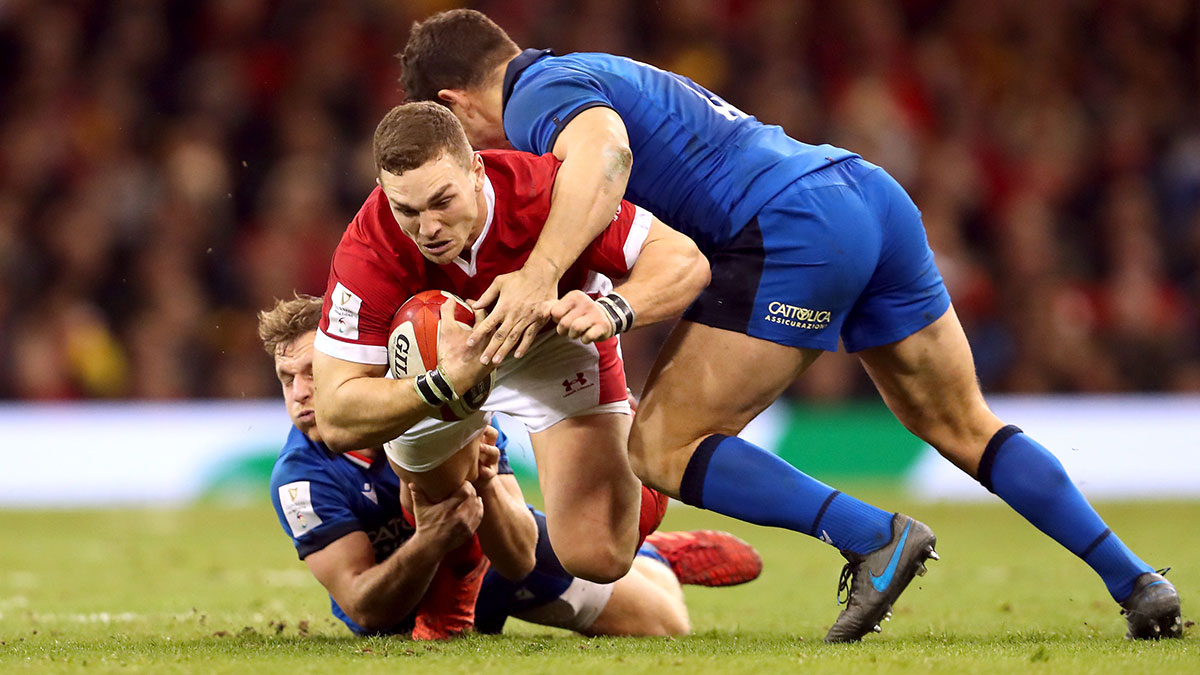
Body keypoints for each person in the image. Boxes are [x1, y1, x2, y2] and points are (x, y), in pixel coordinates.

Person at [397, 9, 1183, 641]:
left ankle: (873, 535)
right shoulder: (587, 68)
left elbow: (605, 153)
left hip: (788, 228)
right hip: (864, 194)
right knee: (963, 422)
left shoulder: (538, 96)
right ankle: (1136, 579)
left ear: (451, 107)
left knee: (661, 444)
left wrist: (537, 277)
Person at [309, 102, 709, 585]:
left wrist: (611, 309)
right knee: (433, 507)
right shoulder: (369, 247)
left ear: (476, 170)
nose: (429, 227)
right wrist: (442, 382)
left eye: (442, 201)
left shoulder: (541, 190)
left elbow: (685, 261)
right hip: (441, 371)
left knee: (598, 558)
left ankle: (630, 469)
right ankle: (464, 560)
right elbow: (334, 417)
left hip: (553, 342)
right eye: (407, 210)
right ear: (382, 191)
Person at [259, 294, 763, 638]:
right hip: (406, 605)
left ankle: (656, 557)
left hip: (495, 565)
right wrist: (428, 542)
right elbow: (363, 607)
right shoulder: (302, 477)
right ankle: (643, 550)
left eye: (312, 373)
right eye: (287, 378)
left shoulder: (430, 413)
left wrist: (484, 480)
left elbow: (518, 555)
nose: (301, 392)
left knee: (666, 623)